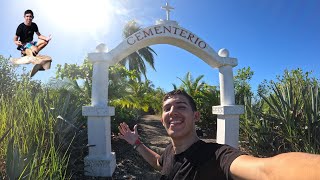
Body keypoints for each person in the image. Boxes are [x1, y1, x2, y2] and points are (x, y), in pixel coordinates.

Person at [118, 89, 320, 180]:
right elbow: (159, 164)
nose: (173, 112)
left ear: (196, 116)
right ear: (162, 119)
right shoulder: (170, 150)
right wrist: (136, 143)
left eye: (181, 106)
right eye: (167, 109)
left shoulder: (217, 156)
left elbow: (266, 171)